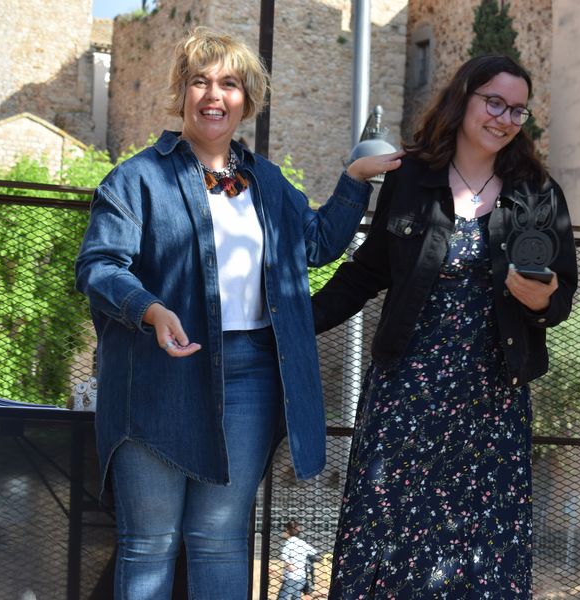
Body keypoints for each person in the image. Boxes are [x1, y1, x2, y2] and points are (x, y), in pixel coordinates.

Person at [74, 27, 401, 600]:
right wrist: (151, 310)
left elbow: (317, 243)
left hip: (251, 373)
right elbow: (99, 266)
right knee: (150, 542)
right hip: (156, 374)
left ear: (246, 99)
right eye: (200, 81)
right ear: (181, 92)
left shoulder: (266, 182)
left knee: (220, 539)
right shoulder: (136, 177)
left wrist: (354, 181)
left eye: (229, 83)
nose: (213, 95)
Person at [311, 54, 578, 598]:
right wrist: (294, 322)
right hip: (406, 392)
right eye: (495, 103)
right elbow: (368, 272)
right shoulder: (411, 178)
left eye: (518, 110)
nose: (505, 119)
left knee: (482, 548)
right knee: (388, 534)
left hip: (492, 401)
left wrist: (542, 299)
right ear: (464, 98)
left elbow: (561, 296)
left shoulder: (538, 193)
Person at [277, 520, 319, 600]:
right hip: (301, 578)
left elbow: (284, 556)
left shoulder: (288, 543)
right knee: (296, 598)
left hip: (291, 578)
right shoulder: (302, 542)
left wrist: (290, 565)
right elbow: (313, 552)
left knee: (282, 598)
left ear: (287, 531)